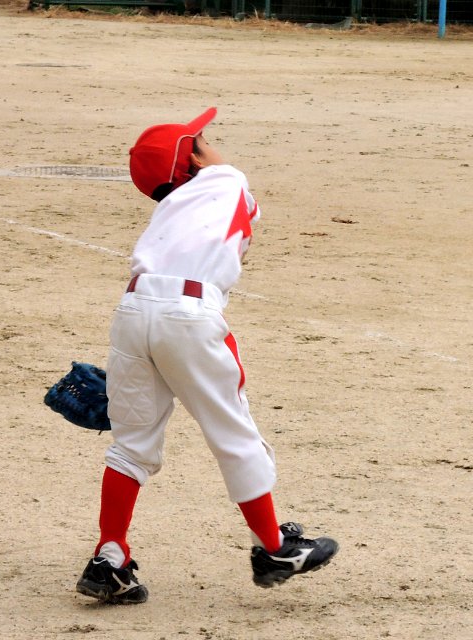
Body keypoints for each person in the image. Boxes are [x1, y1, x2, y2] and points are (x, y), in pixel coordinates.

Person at [75, 107, 338, 604]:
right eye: (204, 140)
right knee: (234, 432)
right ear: (193, 161)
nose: (213, 145)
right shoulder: (225, 179)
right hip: (189, 316)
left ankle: (110, 557)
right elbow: (246, 220)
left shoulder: (168, 208)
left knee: (131, 443)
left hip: (133, 312)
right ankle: (274, 548)